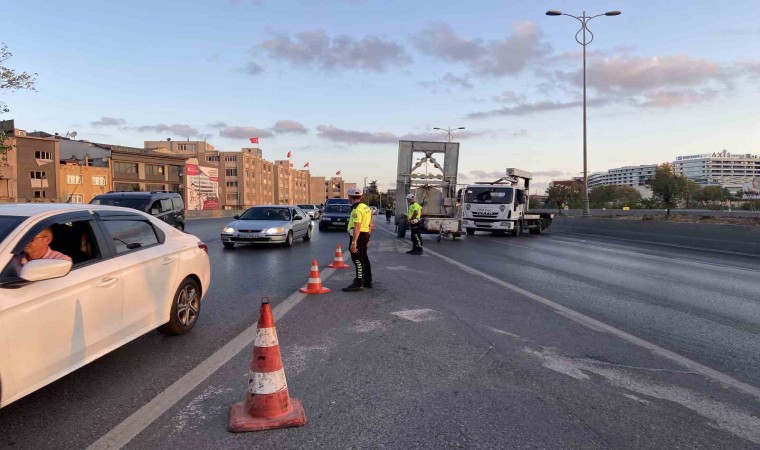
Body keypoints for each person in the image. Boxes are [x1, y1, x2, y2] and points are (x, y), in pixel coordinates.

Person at [342, 187, 373, 292]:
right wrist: (368, 237)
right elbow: (370, 224)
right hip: (365, 235)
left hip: (358, 236)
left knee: (357, 259)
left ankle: (359, 282)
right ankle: (368, 280)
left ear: (350, 197)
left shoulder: (357, 209)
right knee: (364, 258)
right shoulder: (366, 207)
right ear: (361, 196)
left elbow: (357, 227)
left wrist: (354, 242)